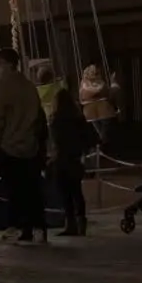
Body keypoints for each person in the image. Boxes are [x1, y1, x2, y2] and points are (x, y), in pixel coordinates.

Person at [0, 49, 46, 244]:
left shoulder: (2, 87)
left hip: (10, 146)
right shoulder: (28, 86)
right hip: (31, 145)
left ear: (7, 64)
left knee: (14, 190)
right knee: (31, 189)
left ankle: (19, 226)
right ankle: (36, 227)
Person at [50, 88, 95, 236]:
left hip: (62, 160)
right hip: (75, 159)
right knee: (77, 192)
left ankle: (71, 224)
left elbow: (55, 140)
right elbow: (91, 138)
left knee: (65, 194)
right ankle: (81, 222)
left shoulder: (56, 119)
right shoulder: (78, 118)